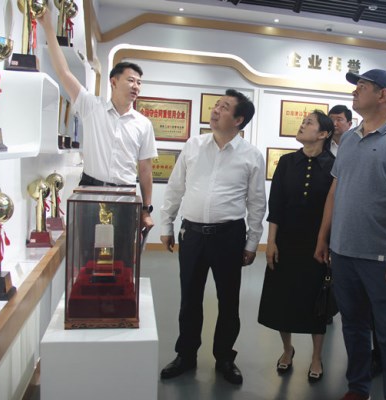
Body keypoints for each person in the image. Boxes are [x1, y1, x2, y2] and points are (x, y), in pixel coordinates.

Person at [315, 69, 386, 400]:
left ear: (382, 95)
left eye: (362, 87)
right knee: (353, 326)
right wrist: (323, 237)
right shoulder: (349, 139)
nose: (355, 92)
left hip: (381, 256)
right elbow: (335, 191)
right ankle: (358, 388)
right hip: (343, 252)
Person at [159, 89, 266, 385]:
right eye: (217, 105)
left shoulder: (251, 155)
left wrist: (252, 243)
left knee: (228, 301)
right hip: (192, 234)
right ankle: (185, 355)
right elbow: (175, 188)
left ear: (239, 119)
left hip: (229, 236)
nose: (216, 110)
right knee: (189, 299)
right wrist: (166, 225)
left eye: (225, 107)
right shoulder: (193, 146)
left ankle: (225, 358)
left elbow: (257, 203)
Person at [38, 12, 156, 232]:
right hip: (90, 191)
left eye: (139, 83)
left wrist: (146, 209)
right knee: (87, 246)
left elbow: (145, 169)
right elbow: (63, 72)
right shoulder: (91, 106)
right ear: (113, 82)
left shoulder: (143, 124)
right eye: (131, 80)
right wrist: (48, 28)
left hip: (125, 195)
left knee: (120, 248)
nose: (136, 86)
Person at [258, 110, 335, 383]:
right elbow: (276, 205)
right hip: (286, 242)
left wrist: (329, 244)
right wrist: (271, 242)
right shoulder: (287, 162)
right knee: (284, 299)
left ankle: (316, 356)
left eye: (309, 123)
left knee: (317, 302)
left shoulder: (335, 165)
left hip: (319, 244)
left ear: (323, 133)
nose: (302, 126)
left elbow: (336, 209)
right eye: (302, 122)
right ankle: (287, 349)